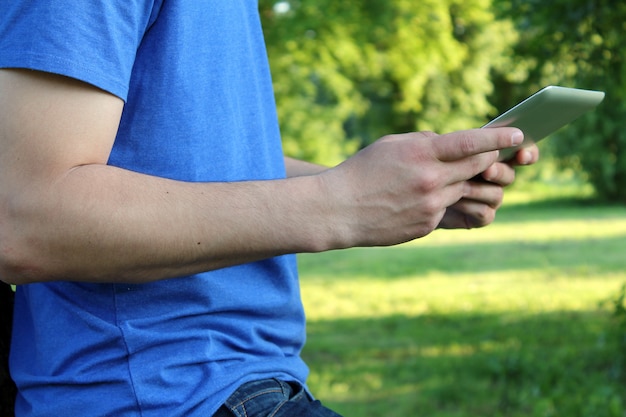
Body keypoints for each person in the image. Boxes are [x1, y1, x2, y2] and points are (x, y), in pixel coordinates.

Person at [0, 1, 538, 416]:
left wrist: (401, 190)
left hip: (237, 385)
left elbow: (210, 164)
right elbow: (22, 218)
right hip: (165, 392)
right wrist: (341, 202)